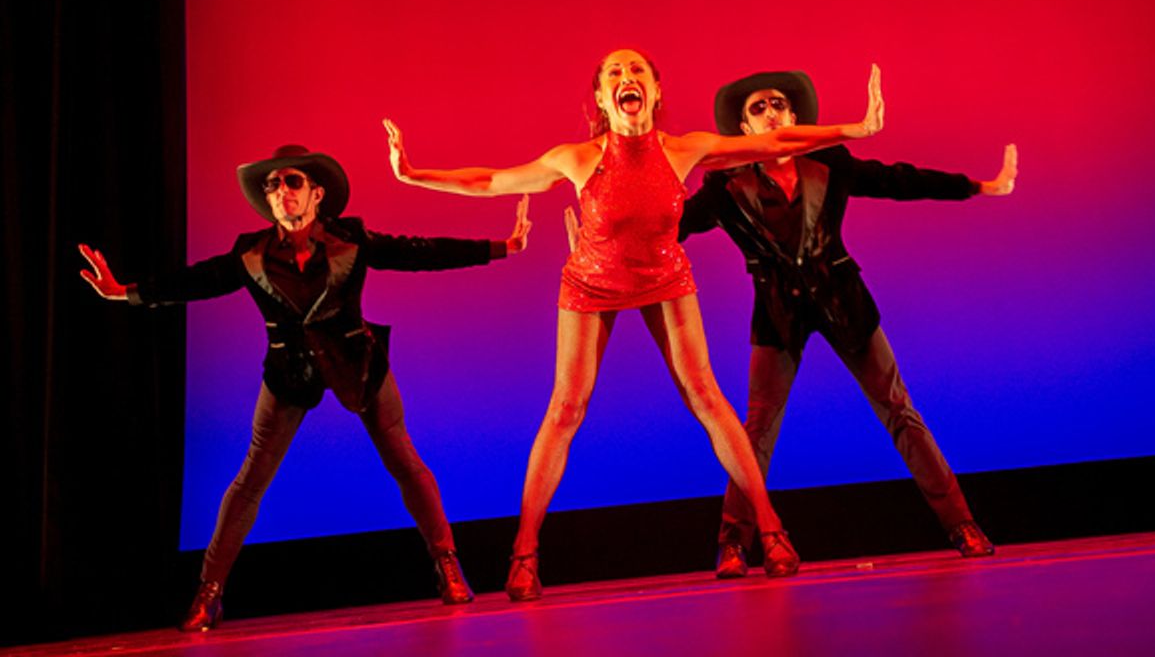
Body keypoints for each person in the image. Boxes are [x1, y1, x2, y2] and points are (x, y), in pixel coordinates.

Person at [382, 48, 883, 600]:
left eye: (637, 70)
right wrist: (414, 175)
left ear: (655, 91)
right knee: (566, 408)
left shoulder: (683, 150)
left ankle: (772, 530)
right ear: (601, 99)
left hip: (665, 278)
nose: (627, 78)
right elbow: (492, 181)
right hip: (591, 285)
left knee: (708, 397)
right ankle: (524, 554)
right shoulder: (578, 158)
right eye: (614, 73)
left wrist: (854, 129)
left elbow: (770, 142)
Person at [79, 144, 532, 630]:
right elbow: (196, 280)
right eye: (272, 186)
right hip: (288, 371)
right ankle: (209, 592)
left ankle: (447, 564)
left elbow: (417, 252)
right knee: (250, 480)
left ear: (317, 194)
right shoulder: (249, 253)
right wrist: (124, 292)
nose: (280, 192)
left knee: (405, 462)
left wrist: (500, 247)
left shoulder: (351, 238)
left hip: (356, 362)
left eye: (291, 182)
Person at [676, 70, 1017, 578]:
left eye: (780, 104)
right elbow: (669, 224)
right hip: (777, 314)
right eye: (758, 108)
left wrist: (979, 186)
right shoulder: (725, 186)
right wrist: (606, 243)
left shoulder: (829, 161)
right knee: (755, 431)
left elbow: (896, 179)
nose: (772, 112)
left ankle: (962, 525)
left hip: (845, 302)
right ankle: (732, 543)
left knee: (899, 410)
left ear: (795, 118)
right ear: (744, 128)